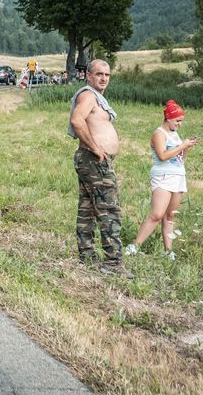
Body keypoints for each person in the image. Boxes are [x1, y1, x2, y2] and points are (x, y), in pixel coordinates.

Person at [68, 59, 135, 279]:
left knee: (87, 208)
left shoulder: (96, 97)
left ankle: (86, 254)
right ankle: (113, 263)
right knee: (109, 210)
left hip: (90, 160)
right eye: (99, 74)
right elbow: (77, 121)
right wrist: (96, 148)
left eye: (107, 75)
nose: (104, 78)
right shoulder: (87, 95)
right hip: (94, 160)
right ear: (89, 75)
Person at [126, 100, 199, 260]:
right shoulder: (159, 134)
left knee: (170, 216)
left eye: (181, 121)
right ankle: (134, 246)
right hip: (163, 176)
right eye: (177, 121)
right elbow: (163, 156)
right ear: (168, 118)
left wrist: (186, 148)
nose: (179, 124)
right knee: (157, 214)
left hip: (178, 176)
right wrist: (182, 145)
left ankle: (168, 251)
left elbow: (180, 159)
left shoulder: (175, 133)